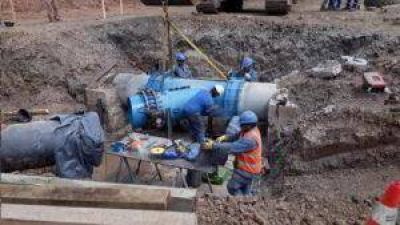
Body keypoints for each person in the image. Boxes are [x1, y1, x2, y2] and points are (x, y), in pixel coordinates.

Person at [201, 110, 263, 196]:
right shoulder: (249, 130)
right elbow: (237, 135)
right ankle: (248, 201)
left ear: (248, 125)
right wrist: (225, 137)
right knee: (245, 190)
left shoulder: (250, 140)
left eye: (242, 125)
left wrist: (213, 145)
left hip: (247, 170)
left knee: (232, 187)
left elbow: (232, 147)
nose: (240, 127)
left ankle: (242, 202)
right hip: (251, 169)